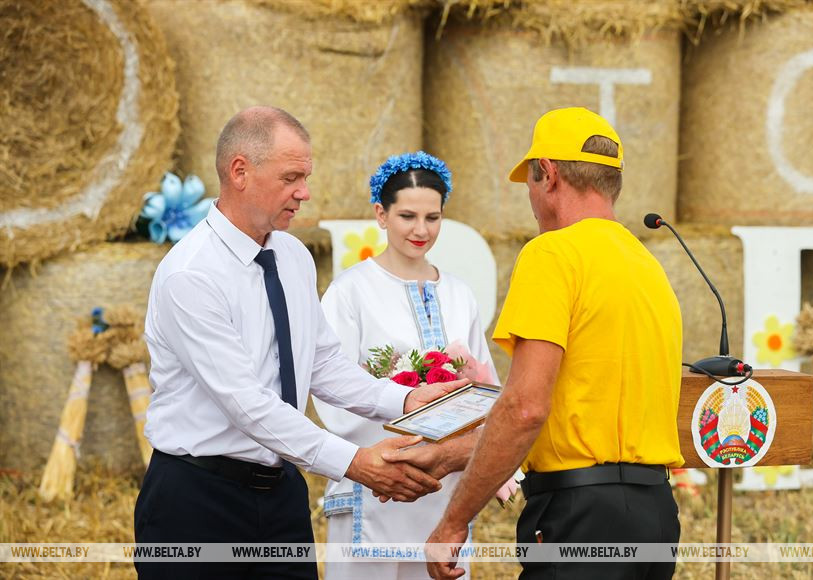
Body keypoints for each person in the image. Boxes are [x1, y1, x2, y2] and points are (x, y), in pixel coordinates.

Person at [135, 106, 466, 579]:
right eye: (291, 177)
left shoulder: (292, 255)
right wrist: (354, 462)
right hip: (197, 500)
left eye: (305, 177)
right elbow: (246, 404)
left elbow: (323, 362)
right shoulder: (191, 276)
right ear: (240, 172)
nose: (305, 192)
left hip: (281, 496)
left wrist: (405, 399)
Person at [425, 107, 684, 580]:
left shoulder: (551, 254)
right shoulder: (647, 267)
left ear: (547, 174)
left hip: (579, 515)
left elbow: (525, 408)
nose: (530, 197)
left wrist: (453, 521)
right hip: (656, 516)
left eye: (529, 180)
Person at [312, 151, 501, 579]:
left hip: (443, 489)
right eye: (407, 216)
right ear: (381, 214)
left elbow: (483, 387)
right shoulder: (350, 291)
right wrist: (400, 421)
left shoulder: (459, 294)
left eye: (433, 218)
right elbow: (330, 387)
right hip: (374, 484)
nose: (421, 230)